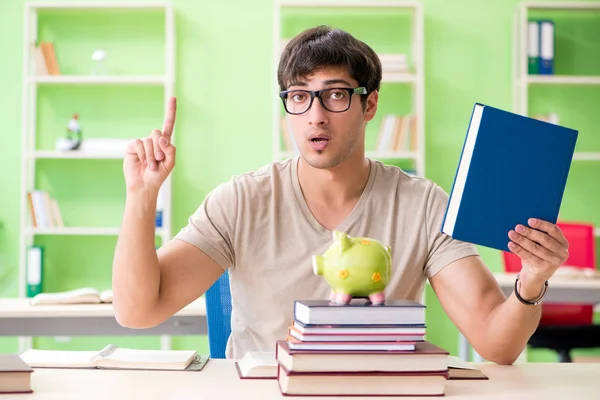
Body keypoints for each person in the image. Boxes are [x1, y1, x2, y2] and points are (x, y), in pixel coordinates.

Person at [112, 25, 569, 364]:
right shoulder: (241, 200)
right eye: (299, 97)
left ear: (369, 104)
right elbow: (137, 311)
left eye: (335, 96)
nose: (315, 116)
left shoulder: (423, 203)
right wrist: (141, 195)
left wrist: (531, 281)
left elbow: (496, 343)